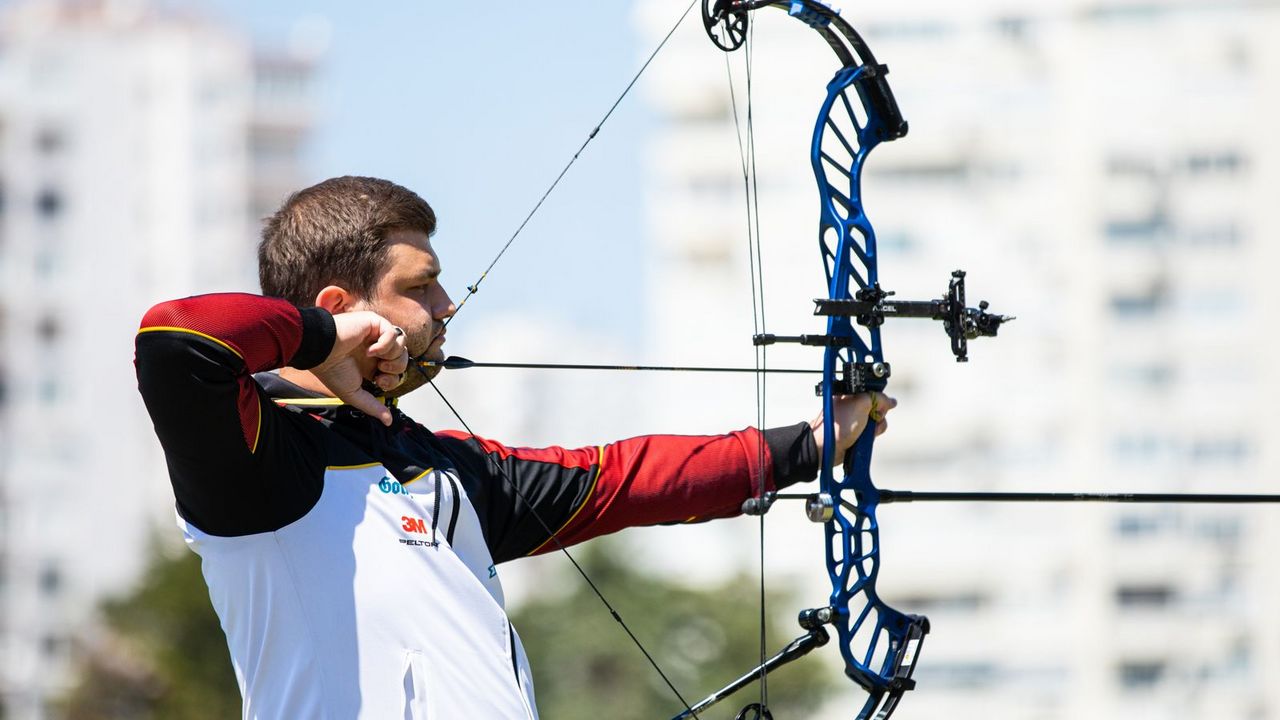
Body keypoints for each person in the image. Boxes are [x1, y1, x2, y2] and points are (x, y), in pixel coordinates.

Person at [134, 176, 894, 719]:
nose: (446, 306)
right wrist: (324, 338)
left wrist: (816, 443)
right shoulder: (258, 456)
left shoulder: (444, 467)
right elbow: (176, 337)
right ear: (341, 305)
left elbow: (623, 479)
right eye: (422, 287)